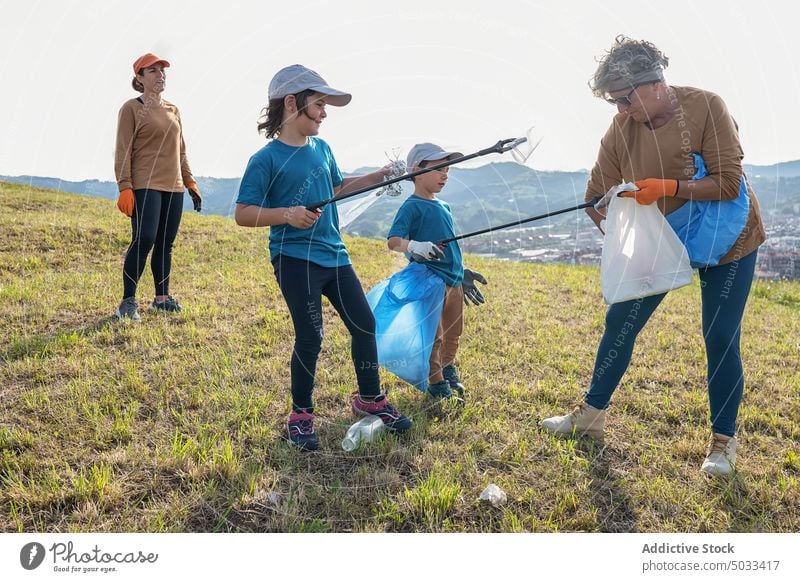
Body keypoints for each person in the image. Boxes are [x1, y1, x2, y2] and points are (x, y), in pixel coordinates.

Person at [540, 37, 766, 477]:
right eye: (613, 103)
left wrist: (665, 188)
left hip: (730, 237)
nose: (621, 111)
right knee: (620, 320)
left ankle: (723, 441)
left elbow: (727, 183)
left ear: (655, 83)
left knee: (720, 336)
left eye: (625, 99)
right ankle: (590, 417)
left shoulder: (705, 107)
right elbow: (594, 196)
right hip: (665, 238)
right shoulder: (620, 129)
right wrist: (607, 213)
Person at [234, 64, 412, 451]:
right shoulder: (265, 159)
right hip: (294, 259)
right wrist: (286, 215)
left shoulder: (322, 149)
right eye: (319, 104)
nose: (325, 113)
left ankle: (369, 398)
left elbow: (337, 187)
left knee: (364, 324)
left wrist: (379, 176)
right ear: (292, 103)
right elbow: (243, 212)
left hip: (335, 255)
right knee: (311, 335)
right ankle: (300, 415)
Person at [387, 143, 487, 401]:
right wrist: (416, 246)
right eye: (438, 169)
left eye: (448, 169)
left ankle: (447, 367)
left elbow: (449, 243)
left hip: (453, 281)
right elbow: (393, 241)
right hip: (431, 283)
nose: (445, 175)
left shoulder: (444, 206)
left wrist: (460, 270)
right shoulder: (411, 206)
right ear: (416, 173)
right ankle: (436, 382)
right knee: (435, 335)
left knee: (454, 331)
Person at [114, 53, 202, 321]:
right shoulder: (131, 108)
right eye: (152, 71)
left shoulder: (173, 109)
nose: (160, 75)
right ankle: (128, 302)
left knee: (166, 243)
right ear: (139, 78)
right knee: (145, 239)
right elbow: (123, 150)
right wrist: (125, 187)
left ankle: (161, 299)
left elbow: (181, 151)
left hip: (173, 186)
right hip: (144, 184)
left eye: (162, 70)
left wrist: (190, 182)